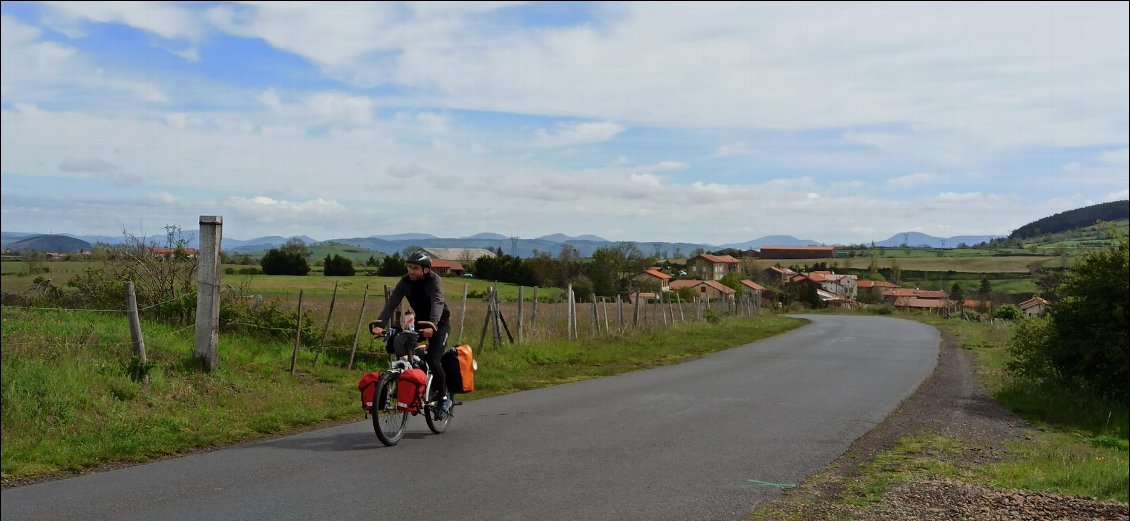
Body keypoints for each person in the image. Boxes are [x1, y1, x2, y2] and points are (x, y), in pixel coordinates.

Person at [370, 251, 453, 419]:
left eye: (415, 268)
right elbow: (392, 302)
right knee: (400, 344)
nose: (411, 271)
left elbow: (437, 301)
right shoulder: (406, 281)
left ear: (426, 270)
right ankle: (413, 382)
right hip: (418, 322)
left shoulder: (434, 281)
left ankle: (444, 398)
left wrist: (433, 324)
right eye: (409, 267)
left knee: (433, 360)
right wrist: (380, 324)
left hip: (438, 324)